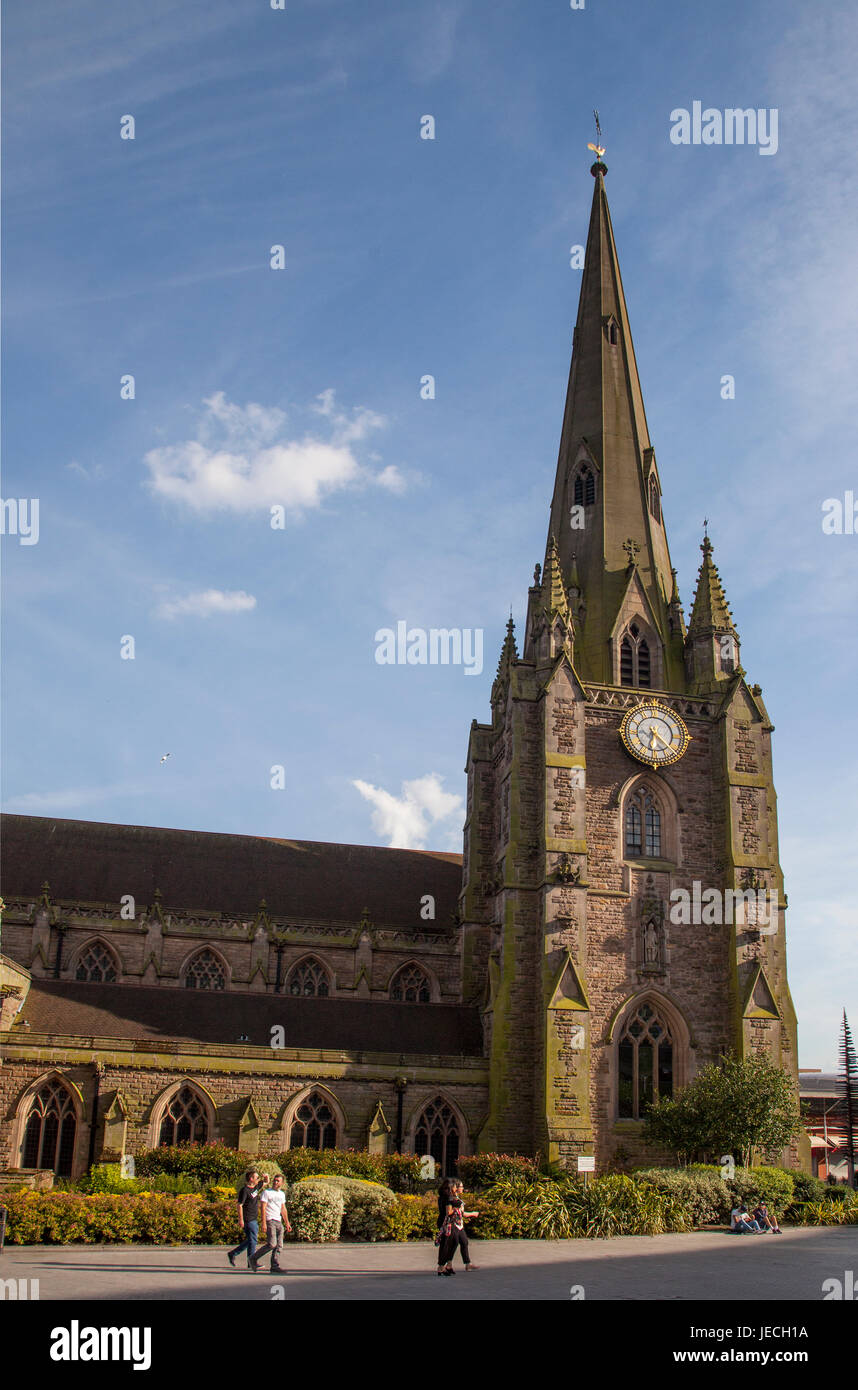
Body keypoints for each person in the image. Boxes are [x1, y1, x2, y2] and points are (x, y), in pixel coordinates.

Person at [252, 1174, 292, 1272]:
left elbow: (283, 1209)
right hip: (270, 1220)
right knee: (272, 1244)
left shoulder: (281, 1194)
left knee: (279, 1246)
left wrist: (287, 1223)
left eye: (278, 1181)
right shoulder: (267, 1192)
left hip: (279, 1221)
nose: (275, 1182)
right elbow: (263, 1208)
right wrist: (264, 1223)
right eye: (274, 1180)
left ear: (282, 1183)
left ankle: (274, 1266)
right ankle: (253, 1258)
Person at [440, 1180, 480, 1274]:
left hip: (459, 1225)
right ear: (456, 1188)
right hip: (454, 1225)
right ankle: (445, 1265)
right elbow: (455, 1212)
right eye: (461, 1187)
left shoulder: (457, 1198)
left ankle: (466, 1263)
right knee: (454, 1243)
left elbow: (460, 1213)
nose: (462, 1188)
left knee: (464, 1242)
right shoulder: (452, 1199)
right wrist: (472, 1214)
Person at [228, 1168, 262, 1268]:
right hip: (248, 1218)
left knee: (251, 1240)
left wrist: (266, 1177)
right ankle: (251, 1261)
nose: (258, 1179)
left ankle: (234, 1254)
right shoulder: (245, 1190)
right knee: (253, 1240)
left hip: (254, 1218)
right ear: (251, 1178)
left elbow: (265, 1182)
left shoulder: (255, 1188)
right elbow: (239, 1205)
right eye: (256, 1177)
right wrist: (241, 1219)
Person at [435, 1178, 454, 1275]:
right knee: (446, 1244)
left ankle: (444, 1265)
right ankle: (441, 1266)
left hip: (440, 1220)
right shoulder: (449, 1197)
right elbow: (448, 1212)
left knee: (444, 1244)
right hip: (446, 1222)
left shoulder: (441, 1197)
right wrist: (456, 1210)